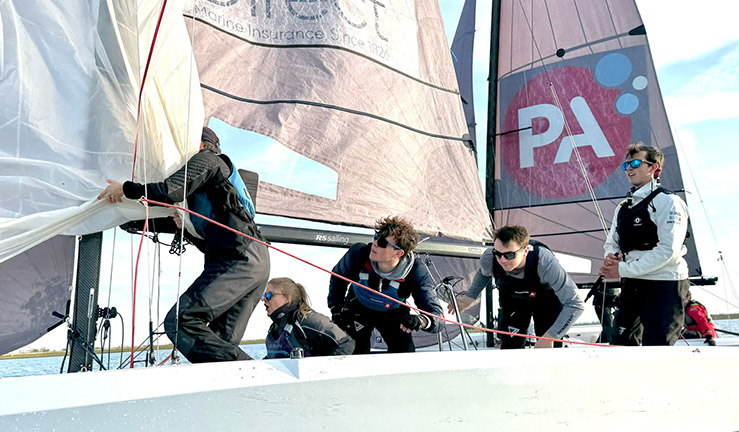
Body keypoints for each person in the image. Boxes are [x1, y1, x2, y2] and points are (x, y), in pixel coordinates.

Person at [98, 126, 270, 363]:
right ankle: (247, 390)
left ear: (196, 145)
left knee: (180, 321)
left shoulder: (208, 160)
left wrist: (125, 189)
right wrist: (187, 229)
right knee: (220, 342)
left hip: (240, 257)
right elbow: (216, 239)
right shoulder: (215, 187)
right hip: (253, 258)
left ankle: (254, 375)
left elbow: (169, 191)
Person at [600, 142, 690, 346]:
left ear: (654, 168)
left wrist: (622, 269)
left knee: (657, 345)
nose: (629, 168)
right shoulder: (624, 206)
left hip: (664, 282)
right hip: (633, 281)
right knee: (621, 342)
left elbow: (669, 250)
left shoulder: (668, 202)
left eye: (636, 163)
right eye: (627, 165)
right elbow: (612, 242)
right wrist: (611, 257)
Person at [449, 225, 584, 349]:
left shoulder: (545, 262)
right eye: (498, 254)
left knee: (548, 347)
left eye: (509, 255)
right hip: (513, 302)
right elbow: (483, 274)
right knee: (510, 348)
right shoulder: (489, 258)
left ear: (525, 251)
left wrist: (551, 336)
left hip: (546, 301)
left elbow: (576, 304)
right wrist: (469, 297)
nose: (502, 260)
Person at [327, 216, 443, 354]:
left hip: (393, 313)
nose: (375, 243)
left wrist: (420, 320)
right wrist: (336, 311)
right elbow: (337, 279)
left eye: (382, 242)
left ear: (398, 253)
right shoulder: (359, 254)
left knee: (404, 353)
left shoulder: (415, 270)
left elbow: (437, 317)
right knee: (354, 353)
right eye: (376, 237)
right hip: (358, 308)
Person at [263, 278, 355, 358]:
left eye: (268, 295)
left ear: (288, 298)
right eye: (263, 296)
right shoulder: (275, 329)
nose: (264, 299)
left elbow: (346, 343)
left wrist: (325, 372)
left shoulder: (308, 321)